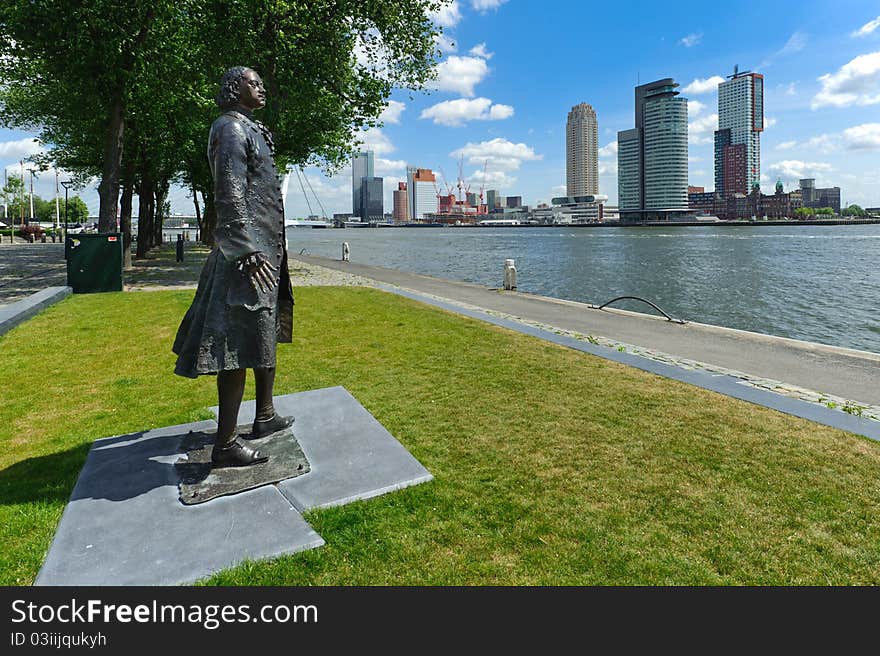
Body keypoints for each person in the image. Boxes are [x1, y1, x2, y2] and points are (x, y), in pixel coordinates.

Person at [172, 66, 294, 468]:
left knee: (263, 329)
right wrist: (244, 250)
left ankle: (264, 415)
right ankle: (225, 444)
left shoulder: (250, 128)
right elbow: (229, 191)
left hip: (266, 250)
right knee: (238, 344)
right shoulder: (230, 128)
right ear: (233, 89)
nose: (261, 87)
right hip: (247, 255)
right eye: (252, 82)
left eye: (261, 82)